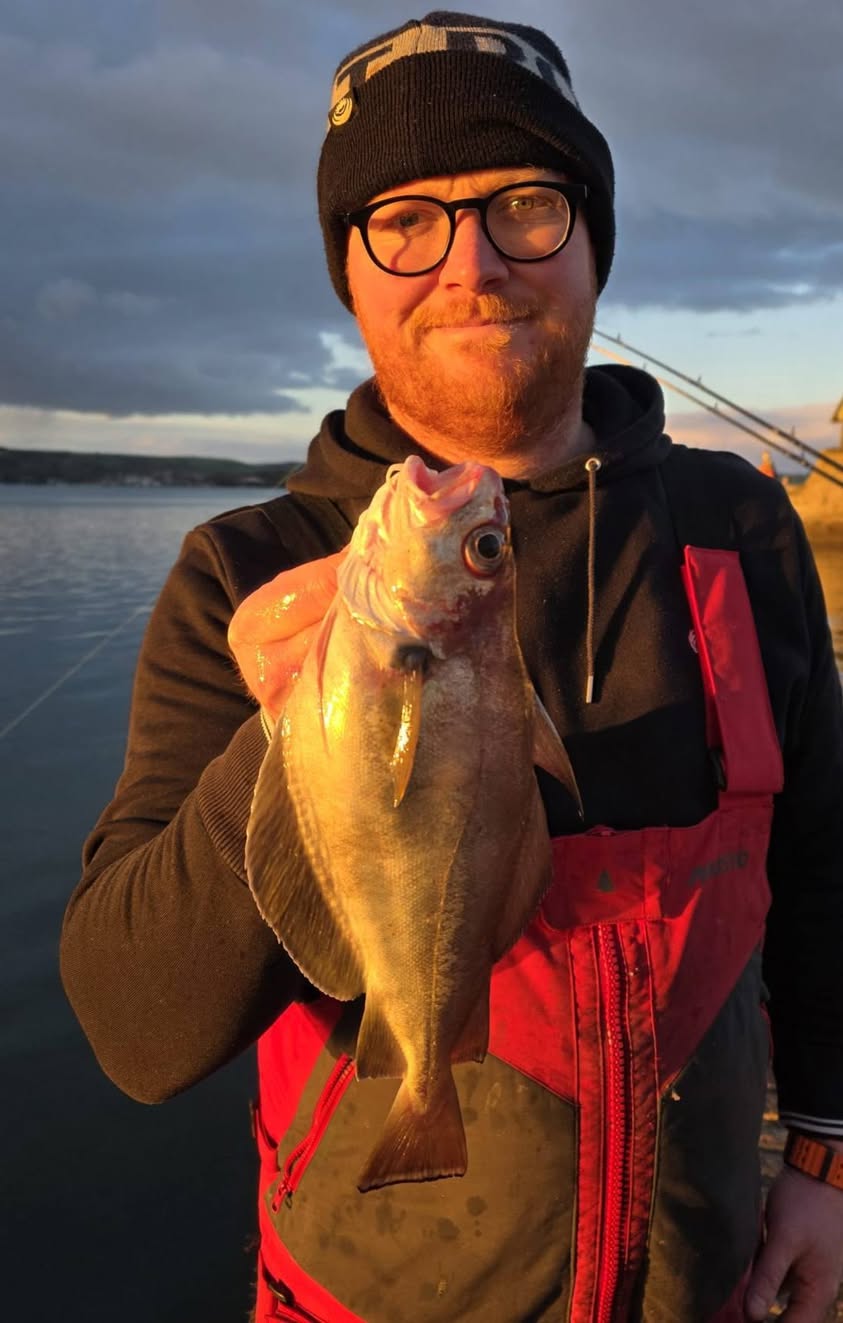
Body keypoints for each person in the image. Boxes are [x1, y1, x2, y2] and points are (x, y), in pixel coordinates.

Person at [60, 11, 843, 1322]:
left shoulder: (741, 526)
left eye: (527, 205)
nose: (472, 264)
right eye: (407, 221)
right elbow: (139, 1033)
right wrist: (290, 733)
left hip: (705, 1283)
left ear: (592, 243)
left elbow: (823, 868)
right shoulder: (243, 573)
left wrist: (824, 1151)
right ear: (350, 271)